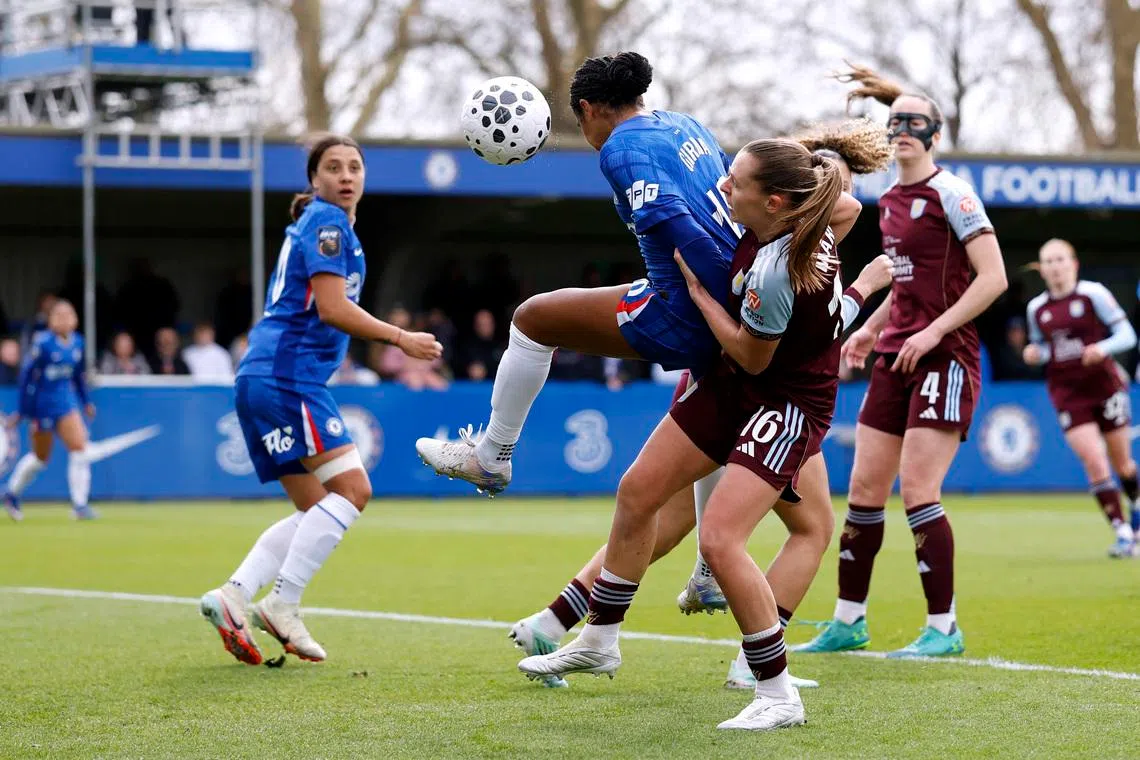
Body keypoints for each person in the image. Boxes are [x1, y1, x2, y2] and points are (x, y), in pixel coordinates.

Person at [517, 138, 894, 732]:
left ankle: (774, 691)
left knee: (720, 539)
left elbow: (751, 357)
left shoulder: (773, 271)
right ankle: (600, 638)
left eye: (735, 181)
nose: (722, 187)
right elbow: (843, 210)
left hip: (781, 398)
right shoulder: (804, 223)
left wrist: (700, 297)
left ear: (773, 203)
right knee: (638, 491)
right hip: (732, 382)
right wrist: (861, 281)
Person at [415, 52, 748, 495]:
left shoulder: (622, 147)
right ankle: (709, 567)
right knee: (702, 429)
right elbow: (732, 200)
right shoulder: (686, 124)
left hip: (686, 310)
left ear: (587, 109)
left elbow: (678, 227)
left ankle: (491, 456)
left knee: (533, 320)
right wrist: (745, 297)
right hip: (732, 300)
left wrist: (725, 305)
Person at [198, 134, 442, 665]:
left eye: (355, 166)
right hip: (288, 377)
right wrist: (401, 338)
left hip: (263, 375)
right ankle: (282, 604)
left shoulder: (325, 227)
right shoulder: (328, 224)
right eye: (333, 167)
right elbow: (332, 309)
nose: (346, 175)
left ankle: (235, 595)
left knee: (316, 507)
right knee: (353, 491)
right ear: (315, 180)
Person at [797, 65, 1008, 659]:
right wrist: (865, 331)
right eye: (897, 123)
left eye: (917, 123)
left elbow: (992, 280)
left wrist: (934, 331)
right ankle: (848, 621)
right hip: (896, 353)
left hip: (945, 357)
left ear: (936, 135)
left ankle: (944, 629)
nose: (905, 131)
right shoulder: (889, 200)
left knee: (918, 490)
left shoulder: (954, 194)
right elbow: (905, 286)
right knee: (863, 489)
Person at [1024, 239, 1139, 556]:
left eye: (1060, 259)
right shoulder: (1037, 309)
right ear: (1041, 269)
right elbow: (1045, 348)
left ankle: (1136, 511)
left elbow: (1127, 335)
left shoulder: (1093, 294)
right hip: (1067, 392)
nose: (1055, 266)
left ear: (1073, 263)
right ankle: (1123, 532)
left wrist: (1102, 349)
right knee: (1093, 459)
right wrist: (1036, 353)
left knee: (1123, 464)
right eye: (1048, 261)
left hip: (1105, 386)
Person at [3, 300, 96, 521]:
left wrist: (85, 402)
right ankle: (12, 492)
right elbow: (27, 377)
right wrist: (23, 410)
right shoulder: (42, 344)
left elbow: (77, 376)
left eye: (69, 315)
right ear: (52, 320)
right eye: (59, 315)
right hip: (42, 408)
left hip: (65, 405)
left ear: (75, 319)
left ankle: (80, 505)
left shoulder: (77, 343)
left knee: (79, 449)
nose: (64, 320)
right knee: (40, 458)